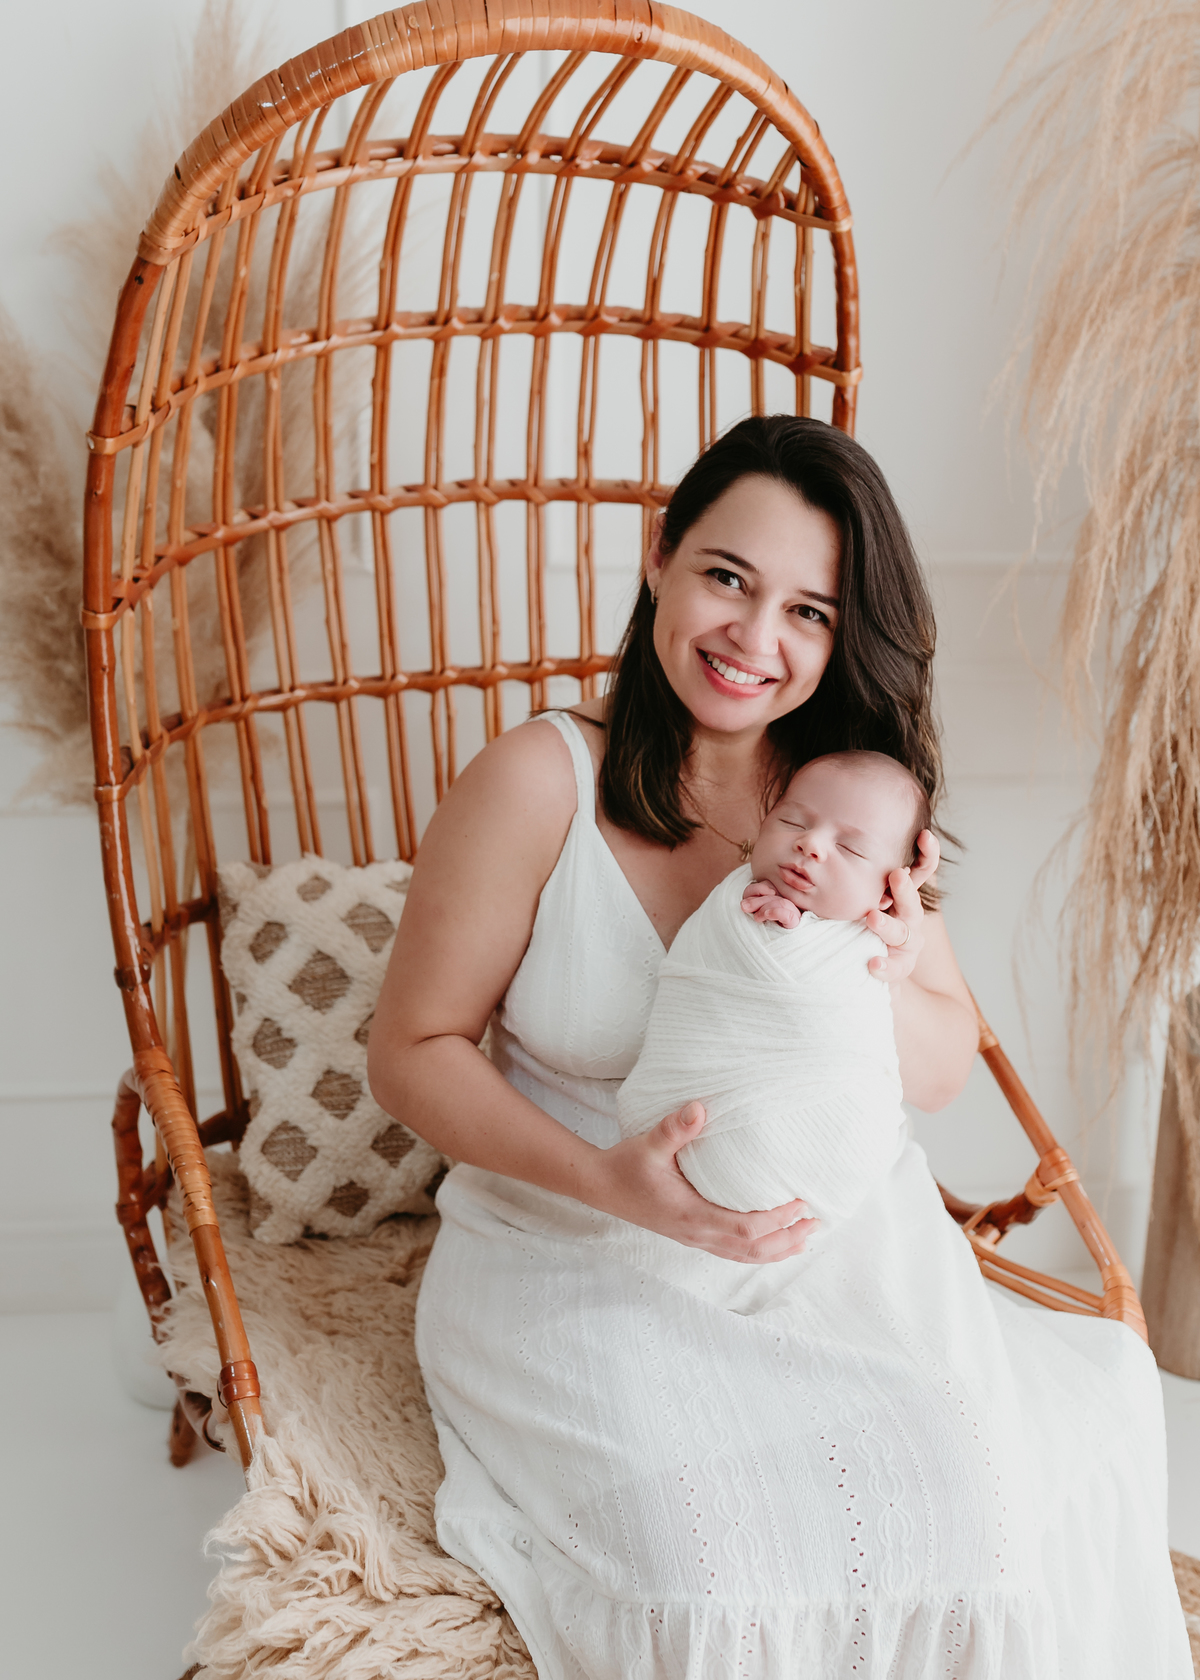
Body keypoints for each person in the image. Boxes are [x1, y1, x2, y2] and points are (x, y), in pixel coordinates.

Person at [368, 416, 1189, 1679]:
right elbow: (413, 1049)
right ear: (661, 561)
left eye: (809, 611)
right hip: (575, 1243)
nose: (757, 640)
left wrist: (896, 958)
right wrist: (611, 1184)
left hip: (826, 1248)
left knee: (971, 1520)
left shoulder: (847, 808)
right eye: (729, 579)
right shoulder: (539, 781)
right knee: (707, 1571)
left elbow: (934, 1068)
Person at [617, 750, 927, 1222]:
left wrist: (884, 970)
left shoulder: (886, 930)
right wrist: (767, 928)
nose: (812, 846)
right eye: (793, 821)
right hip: (662, 1157)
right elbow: (719, 959)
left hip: (834, 1158)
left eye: (851, 849)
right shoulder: (738, 899)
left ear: (888, 892)